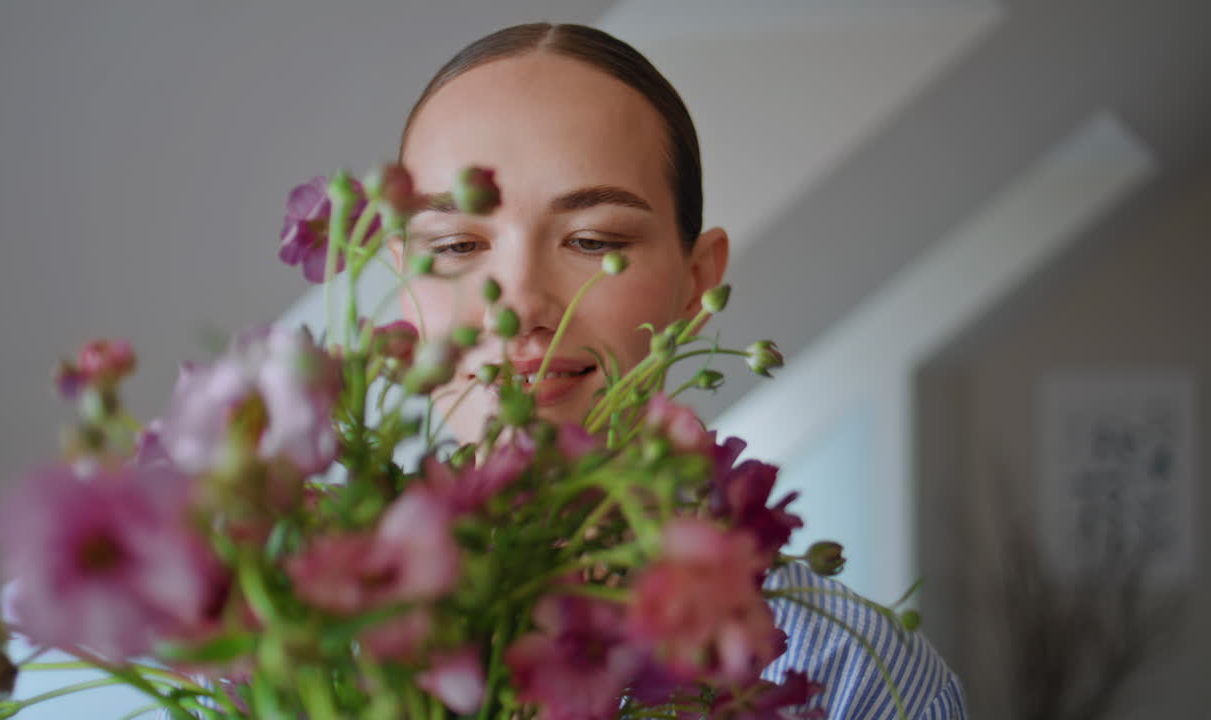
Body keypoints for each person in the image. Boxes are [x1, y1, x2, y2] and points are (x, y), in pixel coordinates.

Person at [393, 22, 968, 720]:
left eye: (593, 242)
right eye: (456, 244)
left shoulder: (860, 680)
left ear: (698, 281)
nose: (520, 306)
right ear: (404, 288)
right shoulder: (258, 639)